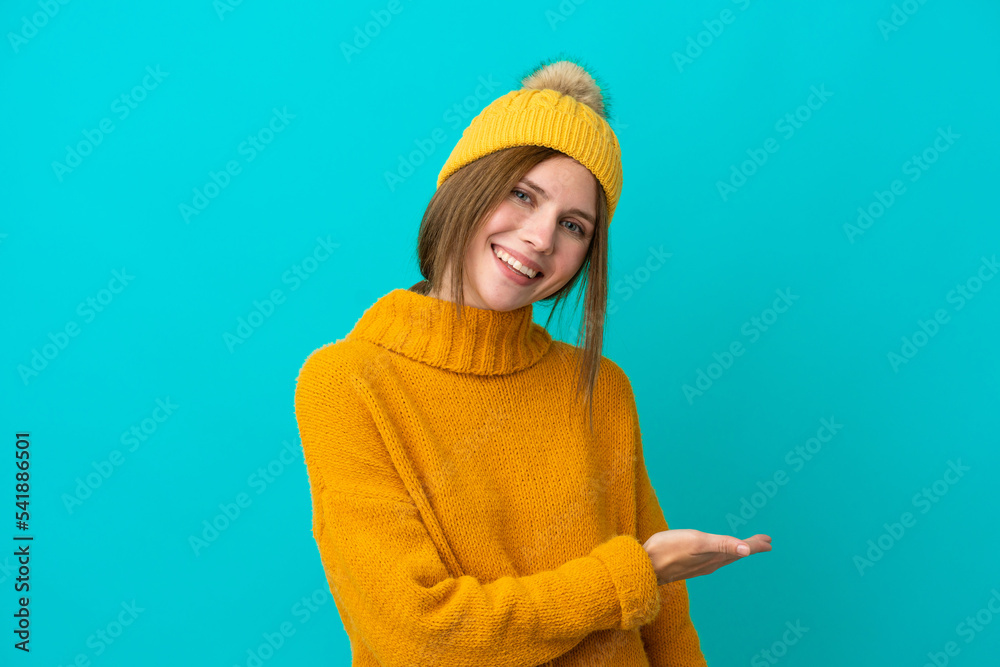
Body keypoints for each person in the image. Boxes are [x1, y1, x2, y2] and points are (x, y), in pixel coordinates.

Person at [294, 56, 772, 667]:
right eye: (523, 195)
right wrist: (632, 574)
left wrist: (650, 577)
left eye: (574, 226)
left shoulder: (600, 387)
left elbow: (667, 624)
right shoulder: (349, 383)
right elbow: (417, 637)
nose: (542, 239)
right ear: (463, 185)